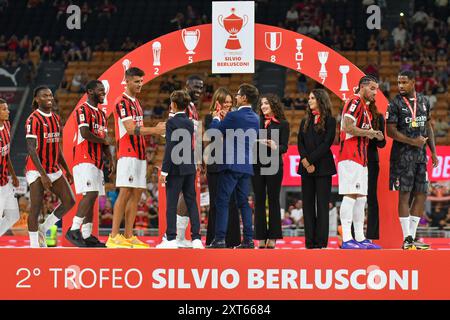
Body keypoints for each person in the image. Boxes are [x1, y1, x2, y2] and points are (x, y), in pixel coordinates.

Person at [106, 67, 165, 248]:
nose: (140, 84)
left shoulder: (136, 103)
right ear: (127, 81)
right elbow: (131, 129)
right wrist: (154, 130)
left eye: (141, 81)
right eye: (137, 81)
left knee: (137, 194)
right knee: (124, 192)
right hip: (127, 153)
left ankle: (129, 235)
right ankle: (114, 236)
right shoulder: (121, 102)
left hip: (139, 154)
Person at [386, 70, 439, 250]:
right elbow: (390, 131)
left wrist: (433, 151)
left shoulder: (424, 101)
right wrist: (413, 141)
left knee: (422, 194)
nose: (400, 86)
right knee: (404, 195)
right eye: (398, 83)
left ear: (413, 82)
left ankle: (412, 237)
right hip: (402, 157)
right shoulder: (394, 104)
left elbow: (428, 126)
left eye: (404, 82)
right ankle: (406, 238)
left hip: (421, 157)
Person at [207, 83, 260, 249]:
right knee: (244, 203)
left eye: (237, 95)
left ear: (244, 98)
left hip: (230, 165)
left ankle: (220, 239)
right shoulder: (256, 118)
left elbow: (214, 131)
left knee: (222, 201)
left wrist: (216, 117)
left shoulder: (234, 116)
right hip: (246, 166)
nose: (235, 97)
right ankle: (248, 240)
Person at [25, 86, 75, 248]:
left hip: (53, 168)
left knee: (70, 201)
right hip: (36, 169)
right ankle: (34, 246)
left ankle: (44, 228)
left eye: (51, 95)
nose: (49, 98)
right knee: (36, 207)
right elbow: (31, 149)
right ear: (37, 99)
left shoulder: (55, 118)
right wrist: (43, 175)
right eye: (45, 95)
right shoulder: (33, 119)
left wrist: (66, 169)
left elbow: (56, 147)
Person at [66, 80, 114, 247]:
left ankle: (87, 236)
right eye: (100, 90)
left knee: (92, 198)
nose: (103, 93)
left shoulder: (101, 115)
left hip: (97, 161)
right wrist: (103, 140)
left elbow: (105, 141)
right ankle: (73, 229)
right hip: (83, 157)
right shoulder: (82, 110)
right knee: (91, 194)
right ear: (90, 91)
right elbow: (85, 133)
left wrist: (110, 158)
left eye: (104, 91)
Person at [338, 76, 383, 249]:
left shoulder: (364, 107)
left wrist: (371, 133)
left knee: (361, 198)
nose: (375, 92)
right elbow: (347, 127)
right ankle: (347, 239)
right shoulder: (355, 101)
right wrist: (369, 133)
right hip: (350, 155)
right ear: (362, 87)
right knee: (350, 195)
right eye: (372, 88)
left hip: (361, 158)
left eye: (376, 89)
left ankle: (359, 237)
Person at [156, 90, 203, 249]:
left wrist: (164, 171)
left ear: (173, 105)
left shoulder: (171, 123)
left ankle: (171, 239)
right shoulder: (190, 122)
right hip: (189, 167)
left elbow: (170, 147)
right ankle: (196, 238)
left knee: (171, 203)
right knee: (191, 202)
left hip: (175, 169)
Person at [297, 89, 336, 249]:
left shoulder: (331, 121)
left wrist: (310, 160)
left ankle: (321, 242)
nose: (309, 100)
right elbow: (300, 142)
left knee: (321, 205)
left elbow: (326, 144)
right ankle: (309, 242)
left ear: (320, 100)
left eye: (312, 98)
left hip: (323, 168)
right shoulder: (304, 120)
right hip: (306, 168)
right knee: (307, 205)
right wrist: (306, 162)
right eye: (309, 97)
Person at [204, 87, 241, 248]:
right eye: (225, 102)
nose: (228, 105)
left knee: (231, 202)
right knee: (215, 203)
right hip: (213, 165)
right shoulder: (209, 118)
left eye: (230, 102)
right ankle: (214, 239)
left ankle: (232, 240)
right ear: (217, 102)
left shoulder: (235, 117)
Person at [252, 94, 289, 249]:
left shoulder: (283, 124)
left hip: (274, 165)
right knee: (259, 201)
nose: (263, 106)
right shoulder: (257, 122)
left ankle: (273, 237)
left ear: (273, 105)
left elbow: (284, 147)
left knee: (273, 200)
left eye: (266, 103)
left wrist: (275, 147)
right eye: (261, 104)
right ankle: (260, 237)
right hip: (257, 165)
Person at [174, 75, 204, 248]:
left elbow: (196, 134)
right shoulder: (181, 105)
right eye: (195, 87)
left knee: (187, 194)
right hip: (182, 154)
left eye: (201, 88)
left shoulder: (192, 107)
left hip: (191, 156)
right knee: (184, 194)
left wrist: (199, 158)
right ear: (186, 85)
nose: (199, 91)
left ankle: (180, 236)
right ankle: (176, 236)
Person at [366, 91, 386, 240]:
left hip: (371, 160)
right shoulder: (356, 114)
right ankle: (352, 234)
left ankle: (372, 235)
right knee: (356, 198)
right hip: (356, 159)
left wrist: (378, 137)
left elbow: (382, 143)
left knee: (371, 198)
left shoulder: (378, 117)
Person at [0, 99, 20, 237]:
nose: (8, 111)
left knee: (13, 216)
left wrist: (13, 175)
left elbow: (6, 154)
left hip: (5, 181)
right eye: (4, 109)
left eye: (7, 108)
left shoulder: (7, 125)